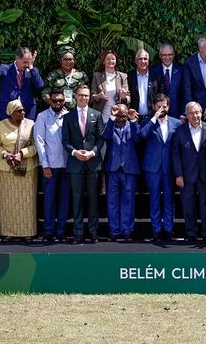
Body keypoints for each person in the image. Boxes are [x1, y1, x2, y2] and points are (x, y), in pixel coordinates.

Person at [61, 85, 104, 243]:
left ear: (89, 97)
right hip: (75, 163)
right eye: (81, 95)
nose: (84, 98)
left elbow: (101, 139)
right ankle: (78, 233)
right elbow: (65, 141)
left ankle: (93, 232)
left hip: (92, 163)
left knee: (93, 199)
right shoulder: (68, 117)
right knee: (77, 199)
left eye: (86, 96)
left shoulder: (97, 115)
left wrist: (92, 152)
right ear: (75, 96)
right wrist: (75, 153)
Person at [0, 99, 38, 241]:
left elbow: (36, 147)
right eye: (19, 111)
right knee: (7, 202)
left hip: (27, 169)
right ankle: (8, 232)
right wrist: (5, 155)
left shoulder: (30, 125)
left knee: (27, 202)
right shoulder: (1, 125)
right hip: (6, 169)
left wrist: (22, 154)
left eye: (23, 110)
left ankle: (28, 232)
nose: (23, 113)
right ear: (11, 112)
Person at [139, 94, 181, 242]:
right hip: (152, 166)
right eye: (158, 107)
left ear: (168, 107)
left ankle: (169, 229)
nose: (162, 109)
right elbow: (141, 136)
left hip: (169, 167)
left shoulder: (176, 123)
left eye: (164, 106)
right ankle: (156, 229)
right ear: (153, 107)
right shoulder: (147, 122)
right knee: (154, 198)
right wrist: (153, 118)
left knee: (169, 199)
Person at [172, 101, 206, 242]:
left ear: (201, 113)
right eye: (191, 113)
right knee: (188, 205)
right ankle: (190, 233)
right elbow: (176, 155)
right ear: (186, 115)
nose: (195, 115)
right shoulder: (180, 131)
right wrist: (178, 175)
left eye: (197, 112)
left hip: (205, 174)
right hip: (186, 175)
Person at [34, 90, 70, 244]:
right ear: (50, 101)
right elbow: (39, 142)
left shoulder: (69, 115)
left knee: (64, 200)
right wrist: (45, 165)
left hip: (68, 166)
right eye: (55, 100)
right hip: (50, 166)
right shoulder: (42, 117)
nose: (58, 103)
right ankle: (48, 231)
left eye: (61, 100)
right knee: (49, 200)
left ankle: (61, 231)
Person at [103, 104, 141, 241]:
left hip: (129, 169)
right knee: (112, 202)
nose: (120, 118)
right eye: (118, 115)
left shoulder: (132, 125)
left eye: (123, 116)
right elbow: (106, 136)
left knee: (128, 201)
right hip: (112, 169)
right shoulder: (110, 125)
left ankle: (127, 230)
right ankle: (114, 230)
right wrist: (112, 117)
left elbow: (138, 138)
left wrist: (133, 120)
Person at [0, 45, 44, 120]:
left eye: (29, 62)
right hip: (6, 112)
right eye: (25, 62)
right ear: (17, 58)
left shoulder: (32, 71)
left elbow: (40, 85)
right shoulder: (4, 68)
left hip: (27, 112)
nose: (27, 65)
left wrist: (31, 67)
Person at [42, 46, 87, 111]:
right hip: (57, 112)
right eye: (65, 59)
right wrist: (54, 105)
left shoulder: (81, 75)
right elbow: (45, 93)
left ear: (74, 60)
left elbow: (87, 94)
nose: (68, 62)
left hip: (77, 112)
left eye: (70, 59)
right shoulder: (53, 75)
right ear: (60, 60)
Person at [91, 50, 129, 122]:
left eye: (113, 59)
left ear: (116, 61)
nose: (110, 61)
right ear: (103, 61)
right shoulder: (97, 76)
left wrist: (124, 97)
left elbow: (128, 98)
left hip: (118, 116)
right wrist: (99, 95)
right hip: (101, 115)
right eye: (108, 59)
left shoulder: (122, 76)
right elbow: (92, 97)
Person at [127, 49, 163, 122]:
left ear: (148, 61)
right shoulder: (129, 77)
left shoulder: (157, 77)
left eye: (145, 59)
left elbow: (161, 96)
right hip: (134, 118)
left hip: (152, 118)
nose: (143, 61)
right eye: (140, 59)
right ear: (136, 61)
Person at [151, 44, 184, 118]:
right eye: (164, 55)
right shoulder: (153, 71)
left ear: (173, 55)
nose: (167, 57)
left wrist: (183, 114)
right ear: (160, 56)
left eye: (170, 54)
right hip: (159, 114)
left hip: (177, 114)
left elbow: (185, 93)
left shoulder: (181, 70)